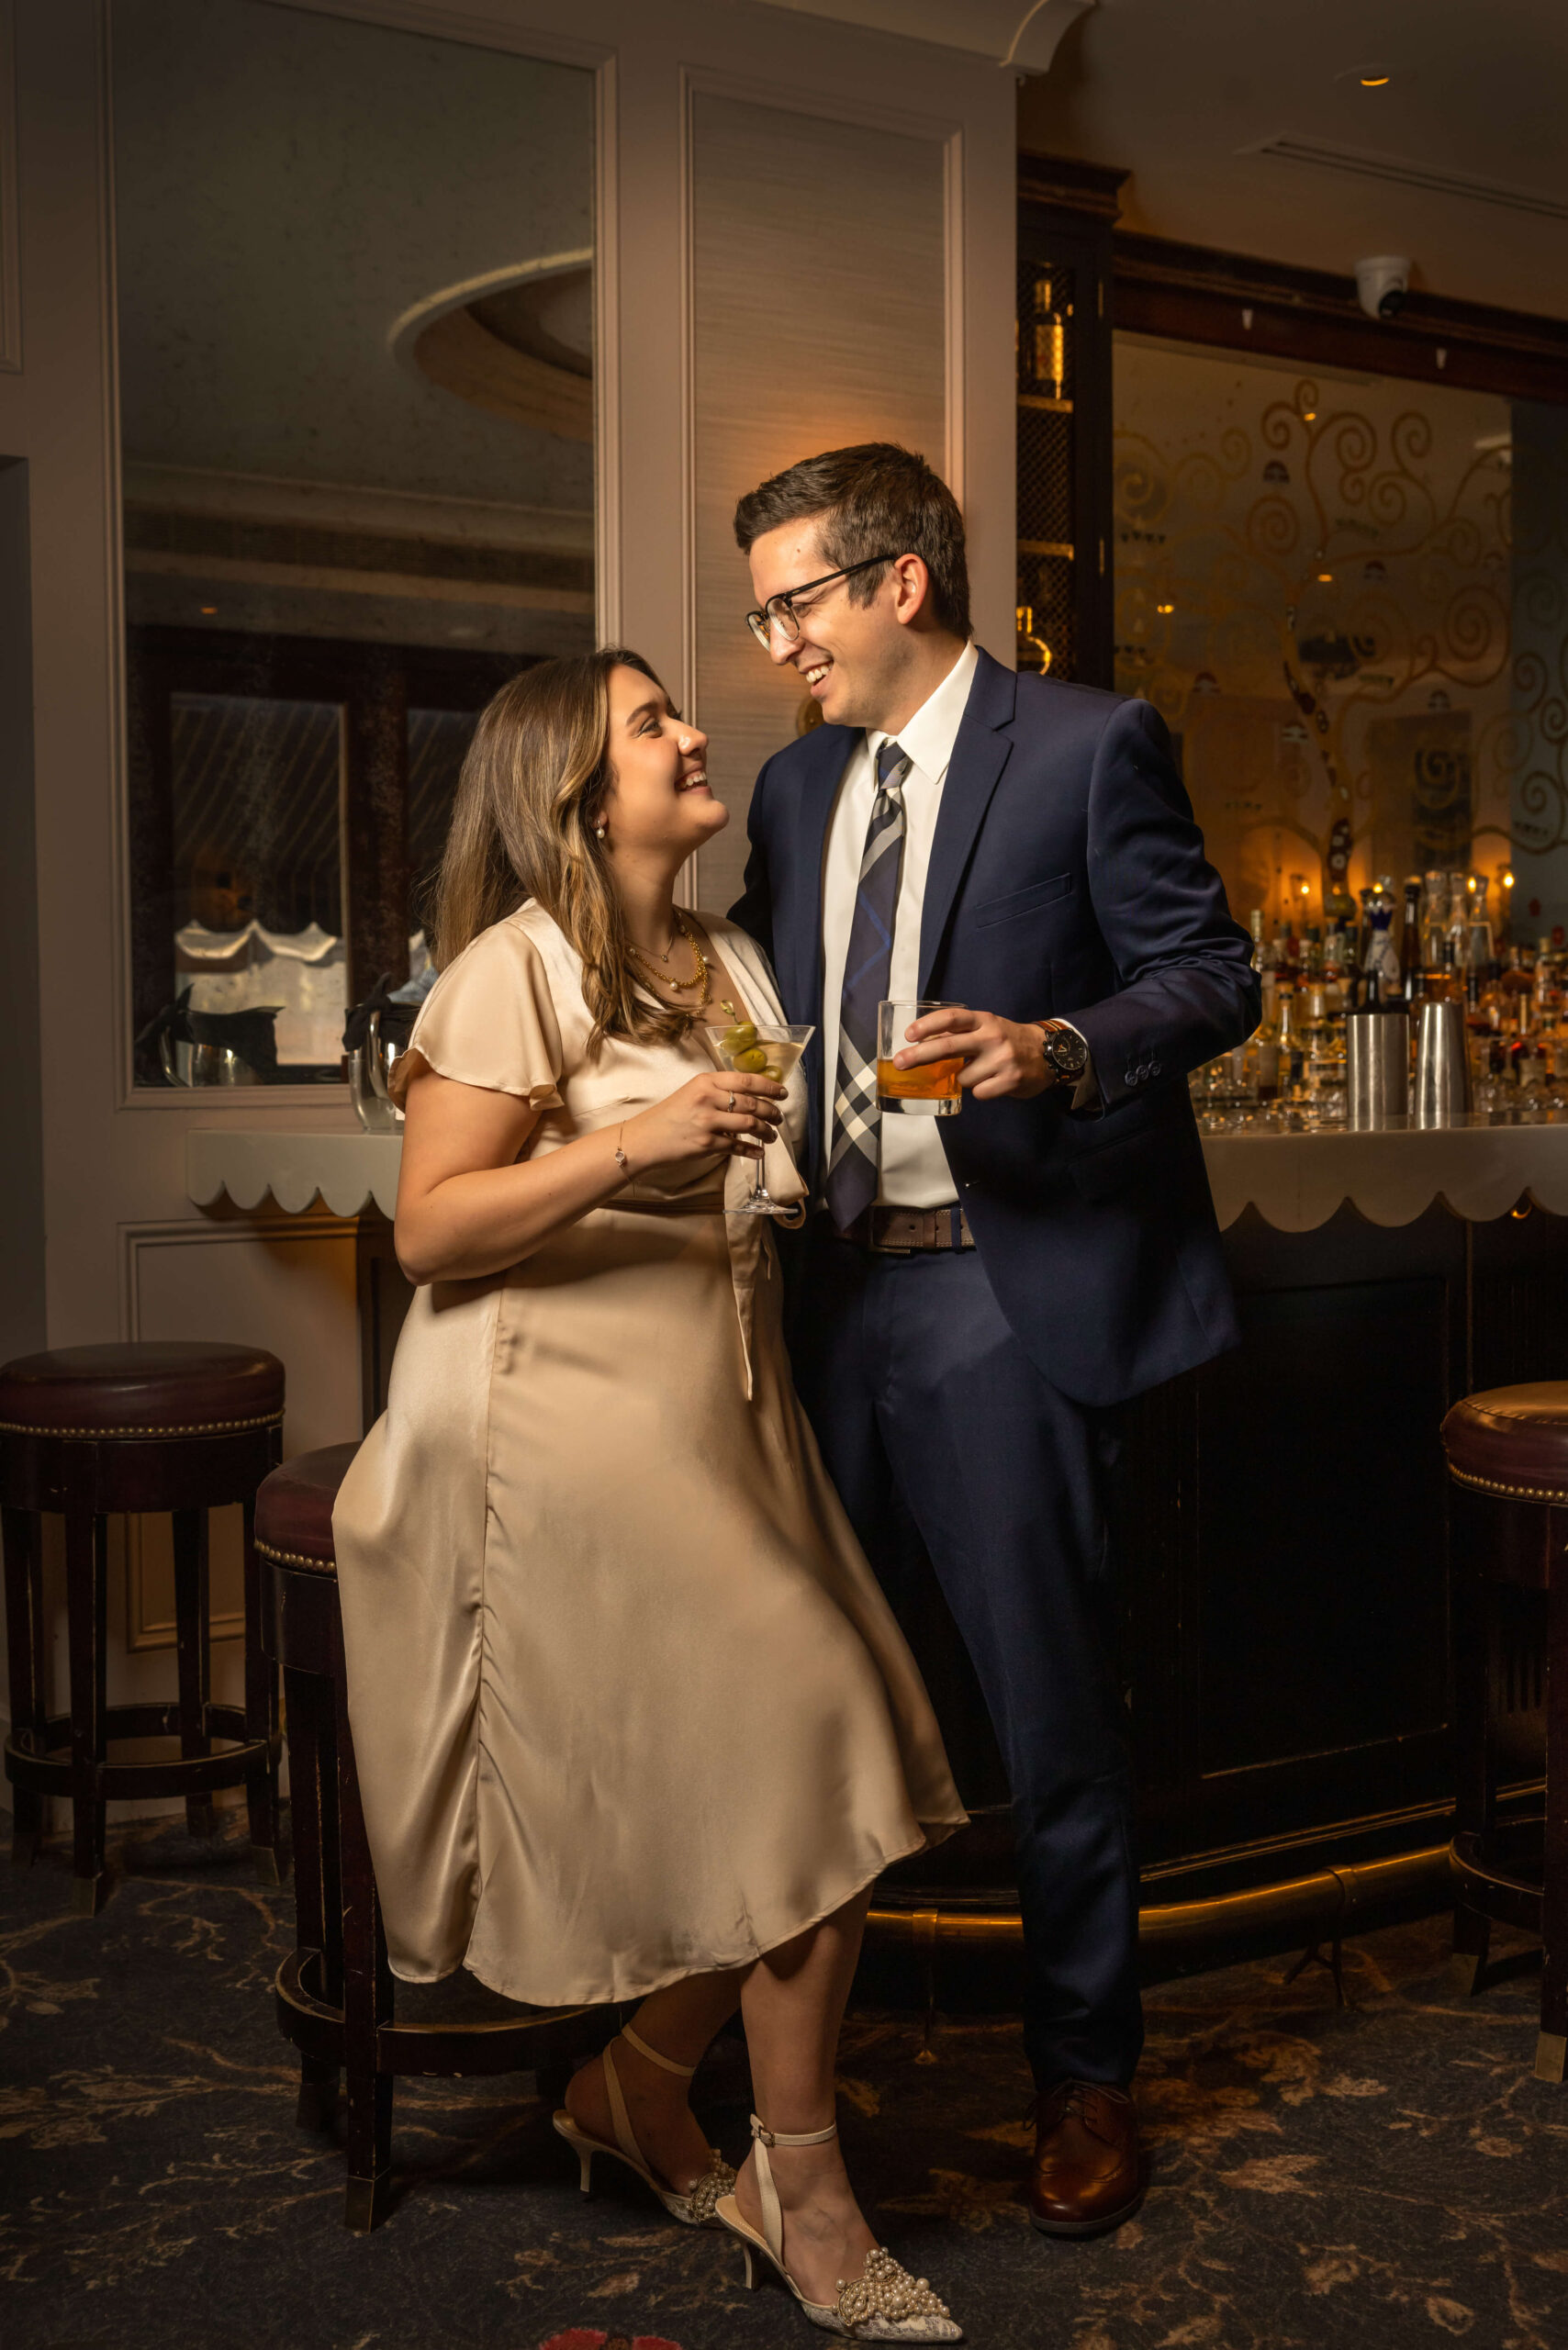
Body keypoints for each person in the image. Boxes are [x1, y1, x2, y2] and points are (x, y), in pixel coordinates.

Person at [331, 648, 969, 2341]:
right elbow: (429, 1232)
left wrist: (921, 1100)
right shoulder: (509, 970)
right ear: (572, 790)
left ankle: (634, 2082)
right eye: (651, 724)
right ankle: (804, 2188)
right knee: (822, 1735)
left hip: (719, 1422)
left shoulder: (727, 959)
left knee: (787, 1787)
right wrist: (630, 1145)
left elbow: (756, 1180)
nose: (695, 735)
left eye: (679, 709)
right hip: (547, 1428)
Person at [729, 442, 1260, 2237]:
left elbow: (1212, 972)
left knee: (1046, 1711)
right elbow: (757, 1001)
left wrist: (1056, 1040)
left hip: (1001, 1287)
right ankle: (793, 2081)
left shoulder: (1086, 744)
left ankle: (1082, 2077)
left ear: (897, 583)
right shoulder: (796, 790)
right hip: (836, 1294)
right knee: (809, 1694)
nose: (775, 640)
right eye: (760, 611)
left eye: (793, 599)